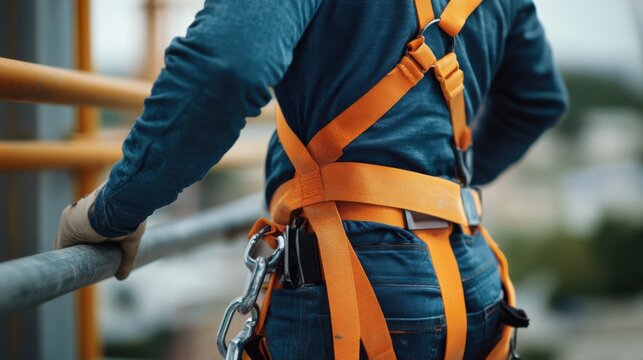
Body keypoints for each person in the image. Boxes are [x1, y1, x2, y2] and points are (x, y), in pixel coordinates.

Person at [55, 0, 568, 358]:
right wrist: (438, 192)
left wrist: (114, 211)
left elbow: (229, 65)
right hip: (472, 275)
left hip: (356, 285)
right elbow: (538, 100)